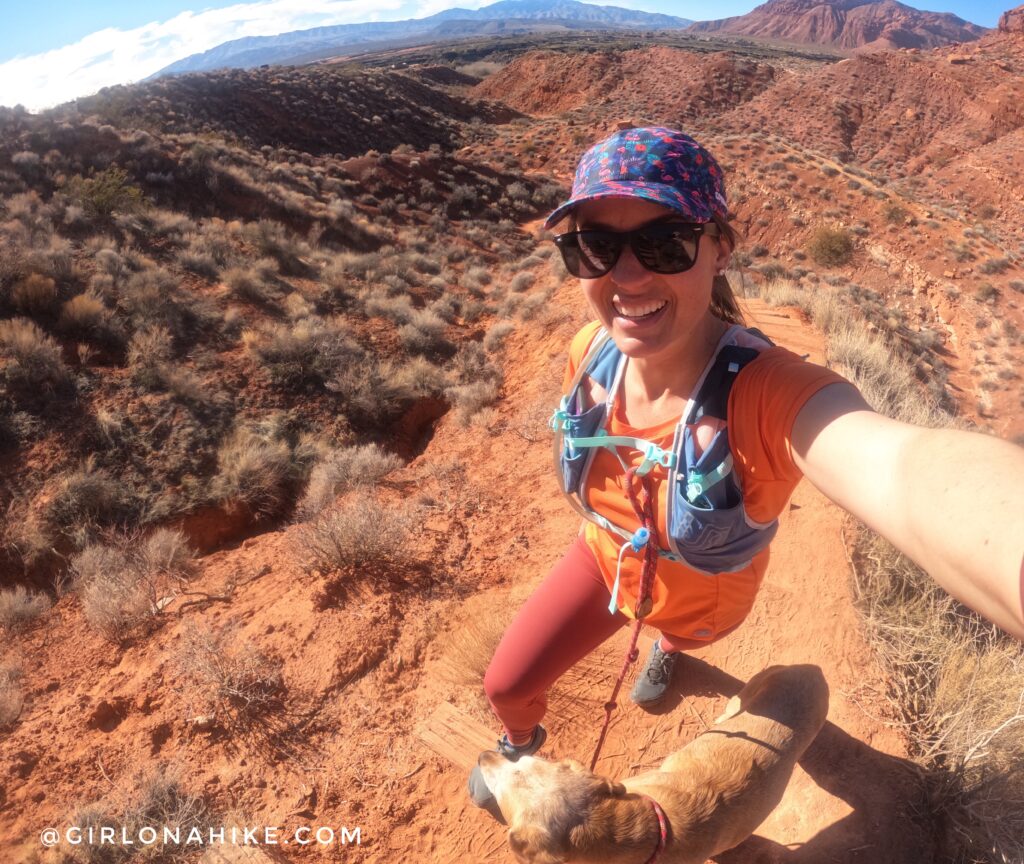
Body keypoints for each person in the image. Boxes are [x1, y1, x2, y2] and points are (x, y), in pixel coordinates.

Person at [467, 126, 1024, 811]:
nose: (628, 275)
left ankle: (670, 648)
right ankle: (519, 751)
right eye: (598, 246)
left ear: (719, 247)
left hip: (703, 598)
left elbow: (899, 468)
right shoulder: (590, 353)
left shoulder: (768, 396)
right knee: (505, 685)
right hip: (606, 560)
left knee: (677, 632)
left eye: (664, 242)